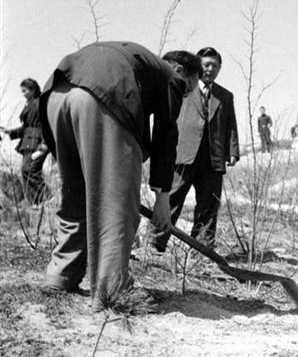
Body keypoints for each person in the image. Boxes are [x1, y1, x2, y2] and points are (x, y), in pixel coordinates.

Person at [39, 41, 200, 309]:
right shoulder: (171, 76)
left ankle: (61, 274)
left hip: (57, 95)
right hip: (102, 100)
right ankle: (112, 289)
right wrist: (163, 199)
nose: (183, 95)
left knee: (76, 193)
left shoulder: (136, 61)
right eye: (187, 89)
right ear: (180, 70)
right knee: (117, 204)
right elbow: (165, 136)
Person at [155, 46, 240, 252]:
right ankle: (155, 244)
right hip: (184, 155)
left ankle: (202, 249)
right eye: (206, 65)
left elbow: (230, 124)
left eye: (215, 65)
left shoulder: (225, 96)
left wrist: (233, 150)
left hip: (212, 159)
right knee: (171, 200)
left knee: (208, 207)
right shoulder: (184, 87)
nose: (210, 69)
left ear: (220, 68)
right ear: (197, 67)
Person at [0, 78, 50, 204]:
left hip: (37, 142)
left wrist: (45, 144)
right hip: (27, 142)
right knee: (25, 171)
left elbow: (46, 125)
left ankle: (48, 198)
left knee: (30, 170)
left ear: (33, 90)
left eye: (25, 91)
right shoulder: (29, 104)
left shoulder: (40, 103)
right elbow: (26, 128)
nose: (23, 94)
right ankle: (36, 203)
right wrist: (10, 132)